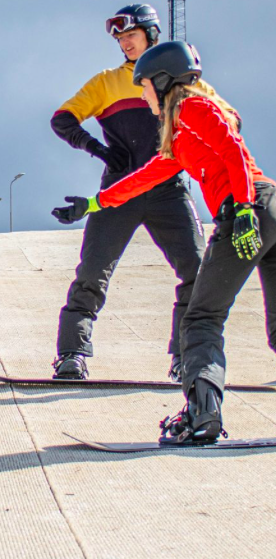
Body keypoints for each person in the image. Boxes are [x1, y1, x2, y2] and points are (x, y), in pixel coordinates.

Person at [57, 40, 276, 443]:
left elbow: (232, 150)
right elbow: (147, 176)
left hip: (251, 206)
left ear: (162, 82)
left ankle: (201, 416)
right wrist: (93, 203)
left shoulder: (193, 106)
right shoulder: (178, 138)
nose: (141, 95)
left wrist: (243, 209)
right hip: (269, 209)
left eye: (144, 86)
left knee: (201, 317)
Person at [50, 3, 235, 382]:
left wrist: (190, 142)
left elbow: (230, 119)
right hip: (119, 189)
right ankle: (72, 354)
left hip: (169, 191)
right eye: (120, 39)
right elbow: (62, 119)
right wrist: (97, 148)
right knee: (92, 273)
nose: (124, 45)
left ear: (152, 35)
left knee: (196, 273)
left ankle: (185, 357)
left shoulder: (180, 79)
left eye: (130, 36)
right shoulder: (106, 81)